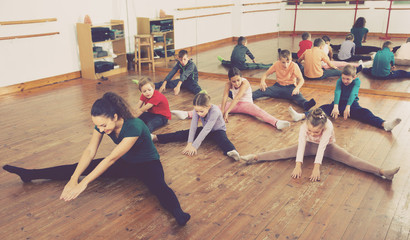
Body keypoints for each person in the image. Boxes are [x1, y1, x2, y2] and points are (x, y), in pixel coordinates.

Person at [3, 92, 191, 226]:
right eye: (97, 126)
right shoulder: (102, 125)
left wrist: (84, 183)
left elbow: (111, 158)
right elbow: (90, 151)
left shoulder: (135, 125)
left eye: (103, 125)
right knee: (75, 167)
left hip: (148, 164)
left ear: (115, 116)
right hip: (126, 163)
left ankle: (179, 214)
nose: (100, 129)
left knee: (159, 187)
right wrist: (74, 178)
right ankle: (29, 174)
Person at [241, 108, 400, 182]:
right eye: (311, 130)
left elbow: (322, 148)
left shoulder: (328, 126)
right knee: (283, 152)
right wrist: (298, 165)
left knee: (351, 159)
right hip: (309, 146)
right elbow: (302, 145)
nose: (313, 133)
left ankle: (382, 172)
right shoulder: (304, 126)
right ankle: (254, 157)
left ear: (323, 127)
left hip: (329, 148)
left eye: (317, 132)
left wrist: (316, 168)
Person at [288, 65, 402, 131]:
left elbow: (353, 94)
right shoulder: (339, 81)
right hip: (337, 104)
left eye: (348, 79)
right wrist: (336, 107)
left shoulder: (357, 82)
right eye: (343, 78)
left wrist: (348, 107)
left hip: (352, 105)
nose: (345, 81)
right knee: (322, 108)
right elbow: (337, 92)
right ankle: (301, 116)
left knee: (365, 113)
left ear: (354, 77)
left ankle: (384, 124)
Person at [171, 67, 290, 130]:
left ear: (241, 78)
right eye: (234, 81)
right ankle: (187, 114)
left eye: (238, 80)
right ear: (230, 80)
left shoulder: (245, 83)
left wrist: (226, 112)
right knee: (213, 107)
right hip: (235, 105)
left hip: (247, 105)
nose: (236, 83)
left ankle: (276, 122)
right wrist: (222, 111)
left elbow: (237, 98)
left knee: (260, 112)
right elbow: (224, 98)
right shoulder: (228, 84)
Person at [152, 92, 241, 161]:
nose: (198, 114)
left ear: (208, 107)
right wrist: (189, 143)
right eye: (197, 111)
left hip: (218, 130)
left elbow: (207, 129)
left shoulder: (215, 111)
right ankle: (156, 137)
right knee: (183, 133)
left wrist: (194, 146)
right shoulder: (196, 110)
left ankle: (232, 151)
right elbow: (193, 126)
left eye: (201, 111)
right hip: (206, 130)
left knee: (223, 140)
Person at [252, 50, 316, 111]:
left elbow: (301, 80)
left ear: (291, 59)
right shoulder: (276, 64)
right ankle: (249, 97)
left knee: (299, 96)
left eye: (288, 62)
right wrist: (262, 81)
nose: (286, 65)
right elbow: (265, 74)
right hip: (278, 87)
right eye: (283, 62)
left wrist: (297, 88)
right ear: (279, 60)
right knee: (262, 91)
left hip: (290, 88)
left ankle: (306, 104)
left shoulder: (294, 66)